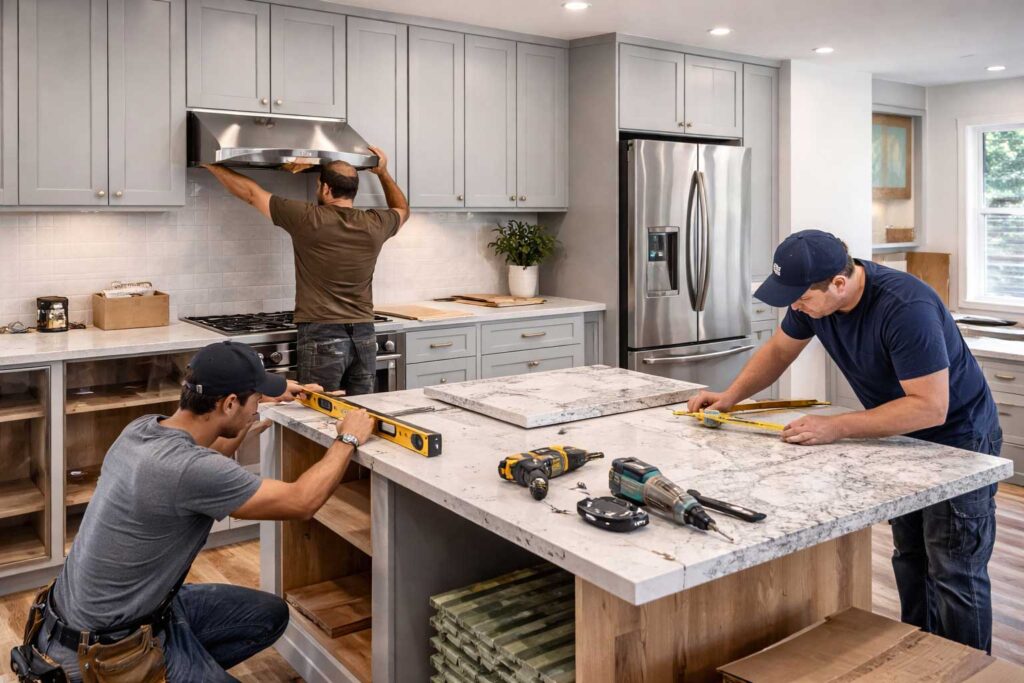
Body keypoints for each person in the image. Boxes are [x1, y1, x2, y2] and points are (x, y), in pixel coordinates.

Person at [686, 229, 1001, 653]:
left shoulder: (907, 308)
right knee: (911, 559)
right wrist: (729, 398)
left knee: (953, 569)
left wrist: (836, 426)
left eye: (800, 297)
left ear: (839, 282)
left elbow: (929, 408)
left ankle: (967, 670)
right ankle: (923, 659)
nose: (795, 306)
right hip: (901, 439)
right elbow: (779, 351)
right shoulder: (814, 303)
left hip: (958, 439)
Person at [22, 341, 374, 682]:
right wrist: (348, 438)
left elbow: (210, 457)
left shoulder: (143, 430)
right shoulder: (189, 470)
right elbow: (301, 501)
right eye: (254, 400)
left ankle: (179, 662)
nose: (258, 407)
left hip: (88, 622)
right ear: (229, 402)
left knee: (268, 615)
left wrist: (255, 404)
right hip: (100, 656)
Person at [203, 147, 410, 395]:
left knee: (318, 414)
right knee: (363, 410)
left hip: (322, 333)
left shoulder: (308, 218)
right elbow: (402, 210)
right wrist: (383, 173)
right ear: (354, 191)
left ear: (325, 188)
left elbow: (251, 194)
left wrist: (210, 163)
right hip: (365, 335)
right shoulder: (376, 223)